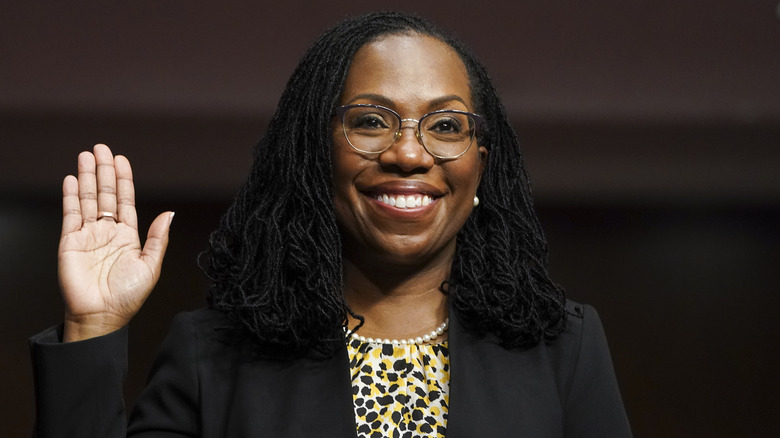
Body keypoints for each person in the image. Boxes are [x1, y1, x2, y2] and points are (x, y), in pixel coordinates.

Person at [29, 11, 632, 438]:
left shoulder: (564, 349)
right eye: (372, 121)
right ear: (312, 153)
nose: (409, 154)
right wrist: (91, 328)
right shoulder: (212, 355)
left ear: (482, 165)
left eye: (446, 126)